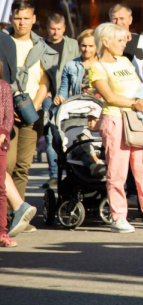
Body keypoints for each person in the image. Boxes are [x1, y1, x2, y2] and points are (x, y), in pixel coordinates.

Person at [89, 22, 143, 233]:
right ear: (105, 42)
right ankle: (118, 217)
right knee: (117, 172)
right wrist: (135, 103)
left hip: (136, 118)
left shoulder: (124, 61)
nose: (124, 44)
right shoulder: (97, 67)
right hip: (115, 120)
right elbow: (110, 97)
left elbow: (138, 86)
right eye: (120, 40)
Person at [6, 0, 58, 199]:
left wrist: (32, 109)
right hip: (5, 111)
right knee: (6, 165)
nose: (22, 22)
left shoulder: (42, 48)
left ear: (34, 19)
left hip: (31, 112)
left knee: (22, 166)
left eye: (26, 18)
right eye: (18, 18)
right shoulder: (3, 43)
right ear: (11, 18)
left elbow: (45, 83)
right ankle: (5, 213)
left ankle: (17, 214)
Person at [42, 12, 80, 188]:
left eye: (59, 29)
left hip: (71, 96)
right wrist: (45, 91)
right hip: (49, 97)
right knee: (51, 136)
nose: (55, 32)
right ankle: (54, 175)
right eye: (52, 29)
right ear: (47, 28)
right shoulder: (40, 46)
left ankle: (73, 174)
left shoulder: (73, 44)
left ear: (64, 28)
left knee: (74, 135)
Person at [56, 29, 99, 103]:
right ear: (79, 45)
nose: (87, 49)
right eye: (84, 46)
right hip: (78, 106)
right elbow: (63, 92)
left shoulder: (104, 64)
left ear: (97, 46)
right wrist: (60, 98)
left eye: (91, 46)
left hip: (100, 106)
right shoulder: (70, 65)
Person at [109, 4, 143, 80]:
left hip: (138, 86)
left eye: (122, 18)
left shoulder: (141, 41)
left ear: (130, 20)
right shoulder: (106, 42)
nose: (118, 22)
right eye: (114, 19)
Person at [0, 67, 16, 247]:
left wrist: (3, 133)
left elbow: (8, 115)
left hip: (0, 140)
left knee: (0, 189)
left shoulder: (3, 86)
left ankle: (1, 232)